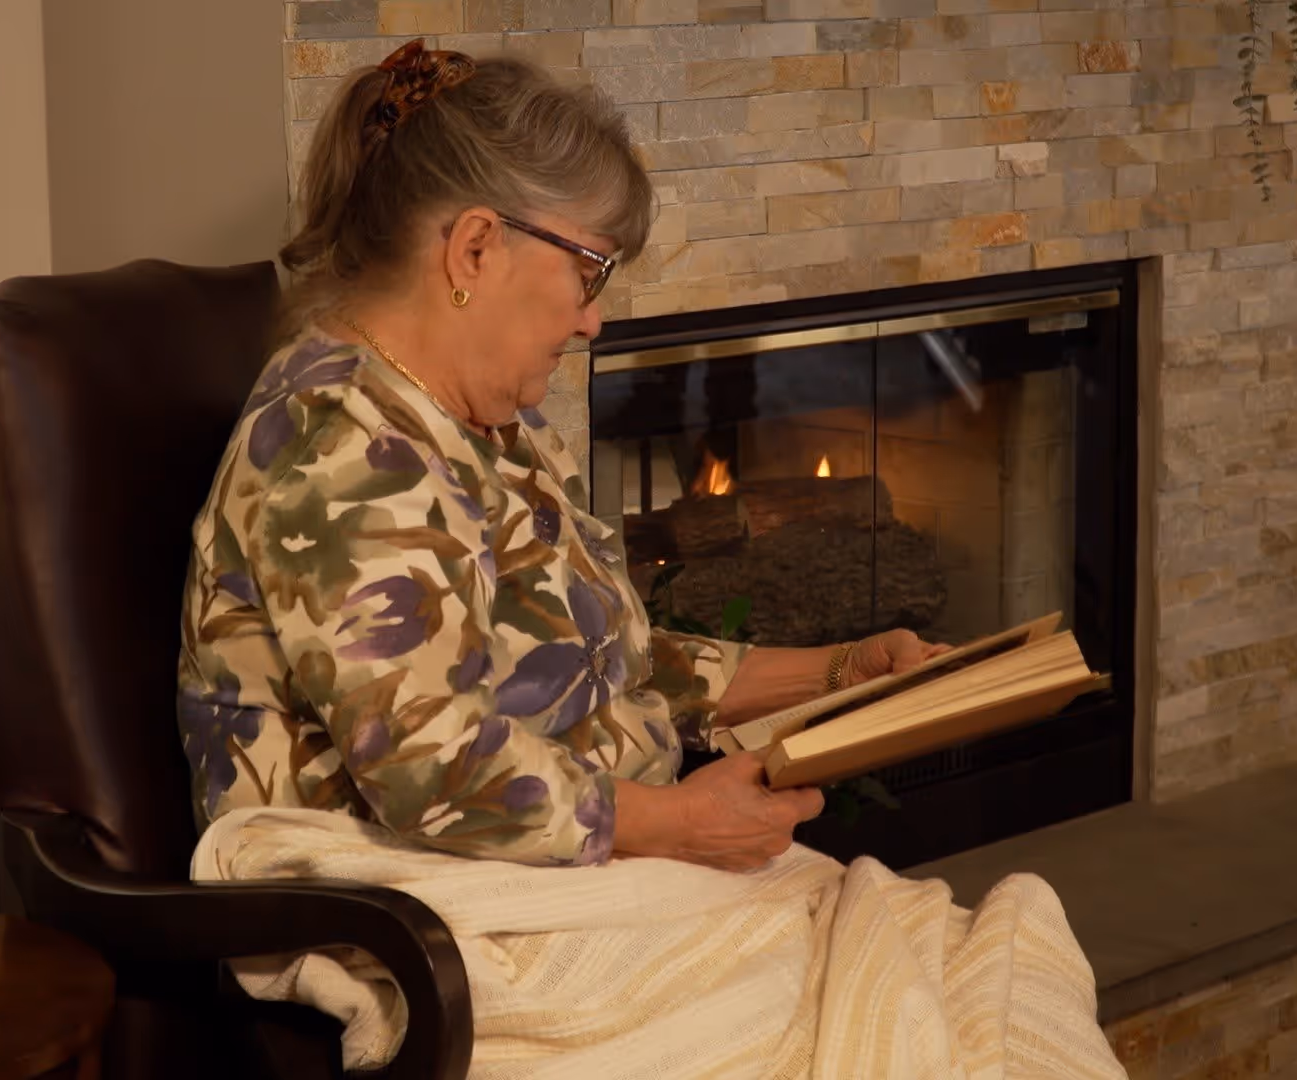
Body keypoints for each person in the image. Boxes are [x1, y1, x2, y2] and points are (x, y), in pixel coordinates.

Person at [176, 39, 951, 875]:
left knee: (942, 952)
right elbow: (430, 766)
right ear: (475, 248)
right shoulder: (341, 446)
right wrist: (683, 822)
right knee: (932, 960)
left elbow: (599, 668)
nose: (594, 319)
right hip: (403, 902)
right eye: (590, 269)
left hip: (553, 862)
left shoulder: (482, 419)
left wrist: (841, 672)